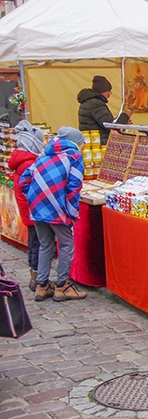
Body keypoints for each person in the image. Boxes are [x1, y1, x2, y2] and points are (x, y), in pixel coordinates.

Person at [20, 127, 87, 302]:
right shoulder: (74, 157)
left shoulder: (43, 157)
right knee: (66, 245)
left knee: (45, 245)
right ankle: (62, 286)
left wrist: (35, 198)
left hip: (37, 206)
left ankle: (41, 286)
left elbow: (24, 181)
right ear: (76, 143)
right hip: (57, 206)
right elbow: (74, 186)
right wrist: (71, 212)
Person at [9, 121, 44, 292]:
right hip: (33, 210)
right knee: (37, 243)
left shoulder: (23, 160)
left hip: (28, 209)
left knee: (34, 243)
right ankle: (36, 279)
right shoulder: (29, 163)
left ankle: (34, 275)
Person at [77, 75, 131, 145]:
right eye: (109, 91)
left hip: (91, 143)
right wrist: (126, 115)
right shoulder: (96, 104)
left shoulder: (88, 102)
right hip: (98, 144)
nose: (109, 94)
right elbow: (110, 125)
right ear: (103, 91)